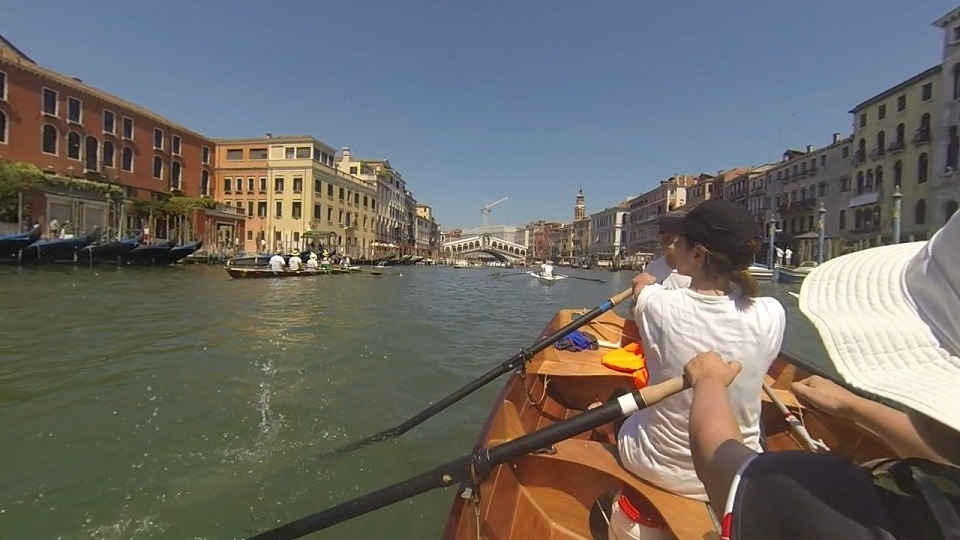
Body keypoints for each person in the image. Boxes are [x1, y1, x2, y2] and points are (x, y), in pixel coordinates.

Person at [687, 209, 960, 539]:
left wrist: (709, 383)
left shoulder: (830, 495)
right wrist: (854, 406)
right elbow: (946, 455)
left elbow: (717, 463)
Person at [616, 200, 786, 505]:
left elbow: (642, 291)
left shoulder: (659, 305)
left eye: (678, 242)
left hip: (656, 464)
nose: (672, 246)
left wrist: (642, 282)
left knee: (617, 397)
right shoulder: (772, 312)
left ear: (697, 254)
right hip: (736, 478)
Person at [642, 211, 693, 289]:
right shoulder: (652, 269)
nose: (666, 235)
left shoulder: (703, 271)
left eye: (673, 230)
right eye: (662, 231)